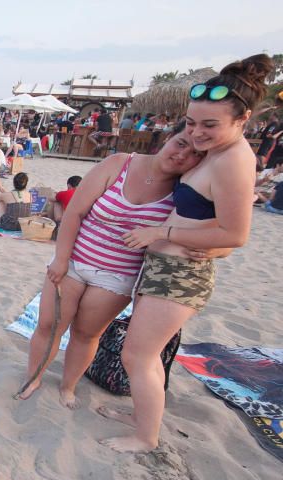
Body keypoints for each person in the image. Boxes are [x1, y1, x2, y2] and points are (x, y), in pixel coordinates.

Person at [107, 55, 271, 452]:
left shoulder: (234, 160)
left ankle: (146, 437)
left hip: (181, 275)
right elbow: (218, 224)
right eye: (192, 122)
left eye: (209, 125)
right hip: (167, 266)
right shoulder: (218, 153)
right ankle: (141, 417)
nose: (197, 132)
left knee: (138, 354)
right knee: (141, 351)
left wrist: (161, 231)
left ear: (242, 119)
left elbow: (236, 233)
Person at [18, 122, 209, 408]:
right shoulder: (119, 164)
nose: (183, 155)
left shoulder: (182, 192)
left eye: (195, 153)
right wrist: (61, 258)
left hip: (118, 275)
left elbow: (207, 231)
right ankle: (33, 377)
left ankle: (68, 386)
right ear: (167, 139)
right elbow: (74, 213)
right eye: (180, 143)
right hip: (73, 261)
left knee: (86, 333)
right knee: (49, 325)